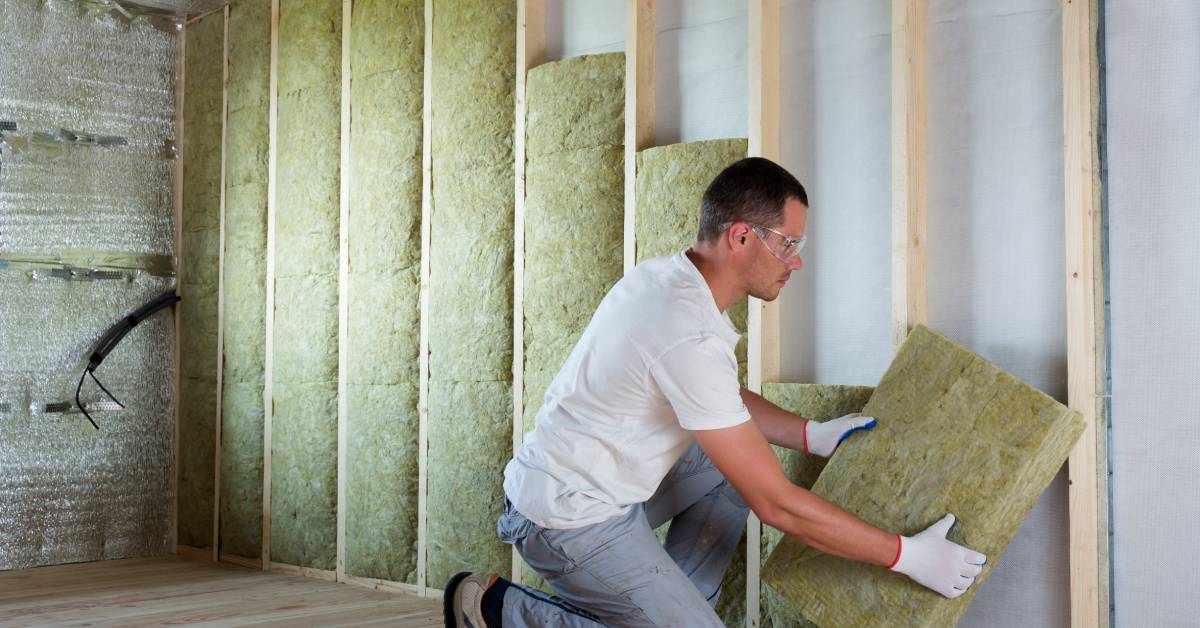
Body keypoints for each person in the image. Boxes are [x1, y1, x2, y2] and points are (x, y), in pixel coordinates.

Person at [444, 157, 986, 627]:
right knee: (754, 481)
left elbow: (718, 400)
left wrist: (807, 434)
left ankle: (671, 603)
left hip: (597, 483)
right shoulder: (685, 329)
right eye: (788, 244)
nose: (796, 260)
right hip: (564, 517)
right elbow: (777, 505)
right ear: (742, 236)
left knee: (734, 459)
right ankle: (497, 611)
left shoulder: (670, 280)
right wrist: (905, 555)